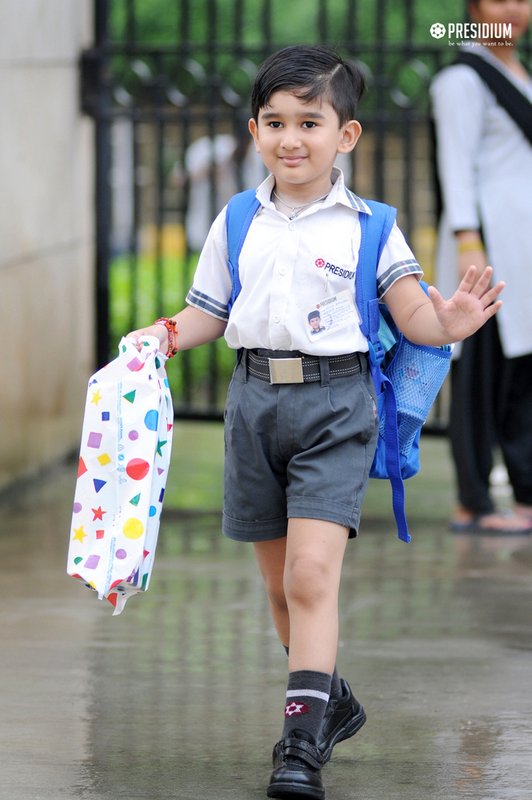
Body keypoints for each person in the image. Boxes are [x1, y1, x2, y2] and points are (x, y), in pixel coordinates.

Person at [127, 45, 504, 800]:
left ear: (347, 135)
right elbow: (209, 312)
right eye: (274, 122)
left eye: (310, 121)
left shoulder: (371, 228)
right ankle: (334, 697)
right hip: (253, 406)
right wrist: (162, 334)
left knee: (310, 576)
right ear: (253, 130)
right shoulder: (238, 219)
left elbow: (416, 319)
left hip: (336, 408)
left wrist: (450, 321)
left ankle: (300, 743)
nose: (290, 138)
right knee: (278, 590)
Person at [431, 0, 532, 535]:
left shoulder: (518, 72)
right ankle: (474, 501)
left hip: (523, 249)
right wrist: (469, 242)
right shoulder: (462, 79)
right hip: (487, 249)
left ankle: (523, 498)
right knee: (481, 371)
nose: (512, 9)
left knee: (520, 372)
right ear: (474, 8)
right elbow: (456, 165)